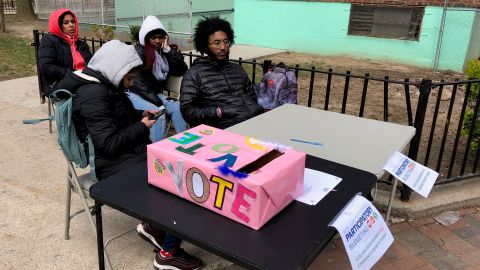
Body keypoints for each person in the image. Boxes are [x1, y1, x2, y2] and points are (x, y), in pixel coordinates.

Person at [54, 40, 202, 270]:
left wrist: (141, 113)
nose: (131, 85)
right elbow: (109, 144)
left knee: (182, 168)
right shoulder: (94, 94)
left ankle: (154, 227)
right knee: (178, 183)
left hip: (128, 157)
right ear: (116, 70)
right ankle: (167, 254)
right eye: (129, 78)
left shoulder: (103, 87)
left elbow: (115, 114)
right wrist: (142, 126)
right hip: (112, 167)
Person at [180, 16, 264, 129]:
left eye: (226, 42)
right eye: (217, 43)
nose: (223, 47)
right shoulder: (194, 74)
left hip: (256, 122)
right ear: (205, 47)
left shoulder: (237, 69)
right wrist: (217, 112)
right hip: (226, 130)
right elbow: (188, 111)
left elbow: (252, 97)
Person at [127, 15, 189, 142]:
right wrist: (159, 103)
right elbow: (139, 83)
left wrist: (168, 50)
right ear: (145, 37)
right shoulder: (139, 52)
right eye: (153, 37)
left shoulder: (163, 52)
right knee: (157, 114)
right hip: (134, 93)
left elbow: (182, 69)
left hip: (154, 95)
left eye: (160, 37)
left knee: (178, 108)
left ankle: (185, 144)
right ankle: (156, 154)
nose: (157, 41)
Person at [38, 8, 92, 96]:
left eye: (73, 21)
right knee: (92, 92)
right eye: (66, 23)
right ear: (58, 25)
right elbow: (46, 67)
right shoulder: (49, 41)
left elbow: (91, 64)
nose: (71, 25)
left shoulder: (81, 44)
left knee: (104, 90)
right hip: (59, 83)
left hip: (84, 80)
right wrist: (72, 73)